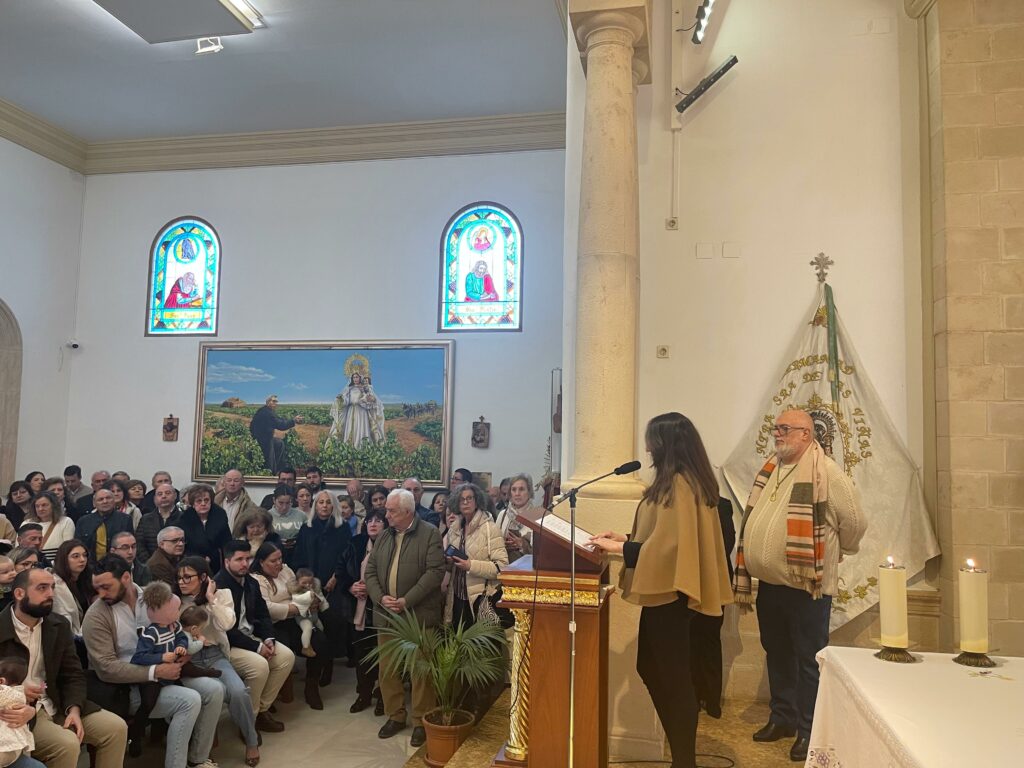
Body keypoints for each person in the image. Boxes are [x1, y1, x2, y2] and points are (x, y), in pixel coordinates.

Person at [589, 412, 734, 768]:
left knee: (672, 679)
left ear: (666, 444)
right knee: (654, 670)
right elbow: (665, 537)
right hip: (669, 594)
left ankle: (684, 761)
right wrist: (624, 538)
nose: (647, 447)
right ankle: (681, 757)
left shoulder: (682, 486)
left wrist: (620, 550)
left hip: (675, 598)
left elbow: (670, 551)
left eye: (652, 440)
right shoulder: (678, 482)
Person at [731, 409, 866, 762]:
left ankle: (809, 730)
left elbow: (854, 521)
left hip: (808, 588)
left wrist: (837, 549)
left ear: (806, 434)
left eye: (785, 429)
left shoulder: (827, 473)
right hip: (771, 585)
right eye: (776, 428)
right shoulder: (771, 468)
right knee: (777, 652)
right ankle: (782, 718)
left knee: (808, 660)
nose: (778, 433)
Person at [85, 556, 223, 768]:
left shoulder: (154, 596)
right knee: (189, 700)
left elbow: (176, 629)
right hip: (127, 685)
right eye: (97, 588)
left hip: (170, 667)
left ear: (126, 577)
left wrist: (183, 650)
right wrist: (155, 671)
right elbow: (106, 668)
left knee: (214, 690)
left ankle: (198, 759)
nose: (101, 594)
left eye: (106, 587)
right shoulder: (96, 615)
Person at [0, 567, 128, 768]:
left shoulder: (58, 625)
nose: (50, 594)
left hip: (57, 701)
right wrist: (16, 691)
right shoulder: (2, 626)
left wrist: (74, 709)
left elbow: (72, 673)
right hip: (17, 710)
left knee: (115, 728)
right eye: (42, 588)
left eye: (52, 587)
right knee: (66, 744)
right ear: (19, 593)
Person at [365, 489, 444, 746]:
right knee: (387, 669)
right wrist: (380, 598)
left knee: (421, 672)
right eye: (387, 510)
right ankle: (395, 716)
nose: (385, 515)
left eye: (391, 511)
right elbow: (371, 572)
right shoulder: (385, 536)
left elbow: (435, 572)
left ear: (408, 512)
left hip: (418, 615)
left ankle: (421, 721)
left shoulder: (430, 533)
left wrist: (406, 600)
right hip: (387, 615)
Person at [175, 557, 260, 767]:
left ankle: (251, 741)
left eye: (188, 577)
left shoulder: (222, 595)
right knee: (211, 693)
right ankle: (198, 752)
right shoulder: (176, 601)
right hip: (189, 658)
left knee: (239, 692)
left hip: (214, 654)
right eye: (179, 578)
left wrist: (211, 598)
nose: (182, 582)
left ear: (204, 577)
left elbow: (227, 623)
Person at [128, 582, 221, 757]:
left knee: (189, 670)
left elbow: (181, 638)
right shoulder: (150, 633)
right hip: (154, 676)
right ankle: (135, 734)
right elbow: (139, 658)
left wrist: (181, 647)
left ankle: (207, 672)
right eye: (175, 610)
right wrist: (161, 658)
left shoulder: (174, 626)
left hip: (174, 667)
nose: (178, 614)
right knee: (148, 703)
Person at [214, 541, 295, 733]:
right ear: (227, 562)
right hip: (228, 644)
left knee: (286, 657)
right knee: (259, 666)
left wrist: (268, 639)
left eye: (247, 558)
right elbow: (226, 630)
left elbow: (263, 614)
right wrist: (257, 648)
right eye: (239, 559)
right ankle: (247, 723)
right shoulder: (218, 586)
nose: (244, 563)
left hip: (252, 636)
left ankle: (259, 712)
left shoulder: (251, 581)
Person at [249, 543, 330, 710]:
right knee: (280, 650)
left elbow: (299, 590)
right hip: (271, 625)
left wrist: (310, 601)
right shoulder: (256, 579)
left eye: (280, 558)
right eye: (273, 560)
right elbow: (267, 608)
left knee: (320, 641)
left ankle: (311, 687)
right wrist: (294, 608)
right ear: (261, 562)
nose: (279, 563)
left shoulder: (286, 571)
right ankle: (269, 696)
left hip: (295, 619)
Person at [291, 491, 351, 664]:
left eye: (328, 502)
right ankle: (315, 664)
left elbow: (346, 556)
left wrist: (336, 577)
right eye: (320, 502)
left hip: (335, 582)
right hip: (309, 583)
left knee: (331, 622)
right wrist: (306, 583)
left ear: (334, 506)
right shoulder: (307, 528)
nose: (324, 505)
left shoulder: (343, 527)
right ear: (315, 505)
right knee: (312, 625)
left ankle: (329, 663)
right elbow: (299, 557)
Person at [339, 509, 387, 715]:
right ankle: (364, 694)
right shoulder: (356, 543)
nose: (373, 524)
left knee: (385, 656)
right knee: (362, 655)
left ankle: (384, 697)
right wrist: (351, 586)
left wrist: (374, 589)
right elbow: (341, 570)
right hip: (359, 608)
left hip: (384, 609)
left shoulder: (392, 544)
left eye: (378, 520)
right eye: (369, 520)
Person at [443, 483, 508, 630]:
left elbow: (502, 567)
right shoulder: (454, 528)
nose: (465, 502)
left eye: (469, 498)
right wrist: (448, 560)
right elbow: (452, 566)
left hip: (479, 598)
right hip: (457, 597)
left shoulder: (490, 528)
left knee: (479, 649)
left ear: (477, 500)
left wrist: (470, 565)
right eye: (461, 499)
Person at [180, 485, 230, 575]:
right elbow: (185, 545)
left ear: (211, 501)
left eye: (206, 500)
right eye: (199, 501)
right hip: (192, 561)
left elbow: (226, 542)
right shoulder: (185, 519)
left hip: (217, 562)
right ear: (193, 504)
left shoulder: (220, 515)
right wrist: (201, 558)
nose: (203, 504)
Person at [74, 489, 133, 565]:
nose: (105, 501)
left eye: (108, 498)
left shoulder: (125, 519)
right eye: (100, 499)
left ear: (114, 501)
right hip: (89, 566)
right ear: (94, 504)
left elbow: (130, 544)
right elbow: (78, 546)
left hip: (117, 565)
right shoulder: (83, 521)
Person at [50, 541, 93, 642]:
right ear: (64, 559)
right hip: (69, 639)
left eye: (84, 555)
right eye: (75, 556)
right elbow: (62, 617)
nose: (82, 560)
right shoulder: (56, 584)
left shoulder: (86, 579)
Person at [328, 372, 385, 448]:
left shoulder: (364, 388)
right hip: (351, 411)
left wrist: (367, 399)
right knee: (349, 429)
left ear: (360, 378)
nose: (355, 379)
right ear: (352, 379)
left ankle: (362, 446)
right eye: (354, 377)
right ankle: (349, 447)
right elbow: (347, 401)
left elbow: (371, 399)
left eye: (357, 377)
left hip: (362, 412)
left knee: (361, 428)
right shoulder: (349, 389)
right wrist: (341, 399)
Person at [249, 398, 303, 475]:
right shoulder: (267, 413)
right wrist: (293, 421)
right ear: (268, 402)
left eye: (276, 401)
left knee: (279, 443)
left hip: (261, 437)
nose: (276, 403)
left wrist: (291, 420)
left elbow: (279, 419)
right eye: (273, 401)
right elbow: (281, 425)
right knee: (269, 459)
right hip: (263, 440)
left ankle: (279, 468)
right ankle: (271, 472)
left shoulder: (266, 410)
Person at [136, 484, 184, 563]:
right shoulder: (146, 519)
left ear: (175, 496)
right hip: (150, 565)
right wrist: (150, 562)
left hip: (178, 565)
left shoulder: (184, 518)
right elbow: (139, 544)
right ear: (155, 498)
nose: (164, 496)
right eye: (160, 494)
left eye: (167, 493)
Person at [0, 656, 34, 767]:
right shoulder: (20, 694)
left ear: (1, 681)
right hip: (15, 747)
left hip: (6, 747)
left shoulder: (5, 693)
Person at [495, 473, 536, 563]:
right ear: (510, 493)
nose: (517, 494)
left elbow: (542, 552)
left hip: (528, 569)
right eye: (514, 490)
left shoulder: (537, 516)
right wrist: (504, 544)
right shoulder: (503, 515)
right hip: (505, 566)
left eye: (521, 489)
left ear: (529, 492)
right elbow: (494, 543)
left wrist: (522, 545)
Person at [24, 492, 75, 565]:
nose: (40, 509)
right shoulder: (27, 523)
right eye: (37, 506)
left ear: (53, 506)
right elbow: (19, 549)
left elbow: (67, 550)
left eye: (44, 505)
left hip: (58, 565)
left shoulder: (66, 522)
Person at [288, 568, 326, 658]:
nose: (307, 585)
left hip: (314, 615)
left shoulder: (314, 589)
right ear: (297, 582)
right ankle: (306, 647)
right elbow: (298, 599)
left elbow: (320, 598)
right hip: (303, 617)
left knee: (321, 628)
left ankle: (315, 642)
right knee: (307, 628)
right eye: (304, 583)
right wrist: (310, 595)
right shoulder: (296, 591)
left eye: (310, 582)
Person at [266, 487, 306, 561]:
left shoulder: (301, 515)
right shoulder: (267, 516)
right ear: (274, 500)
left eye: (288, 503)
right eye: (281, 503)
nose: (284, 507)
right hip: (274, 555)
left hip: (297, 555)